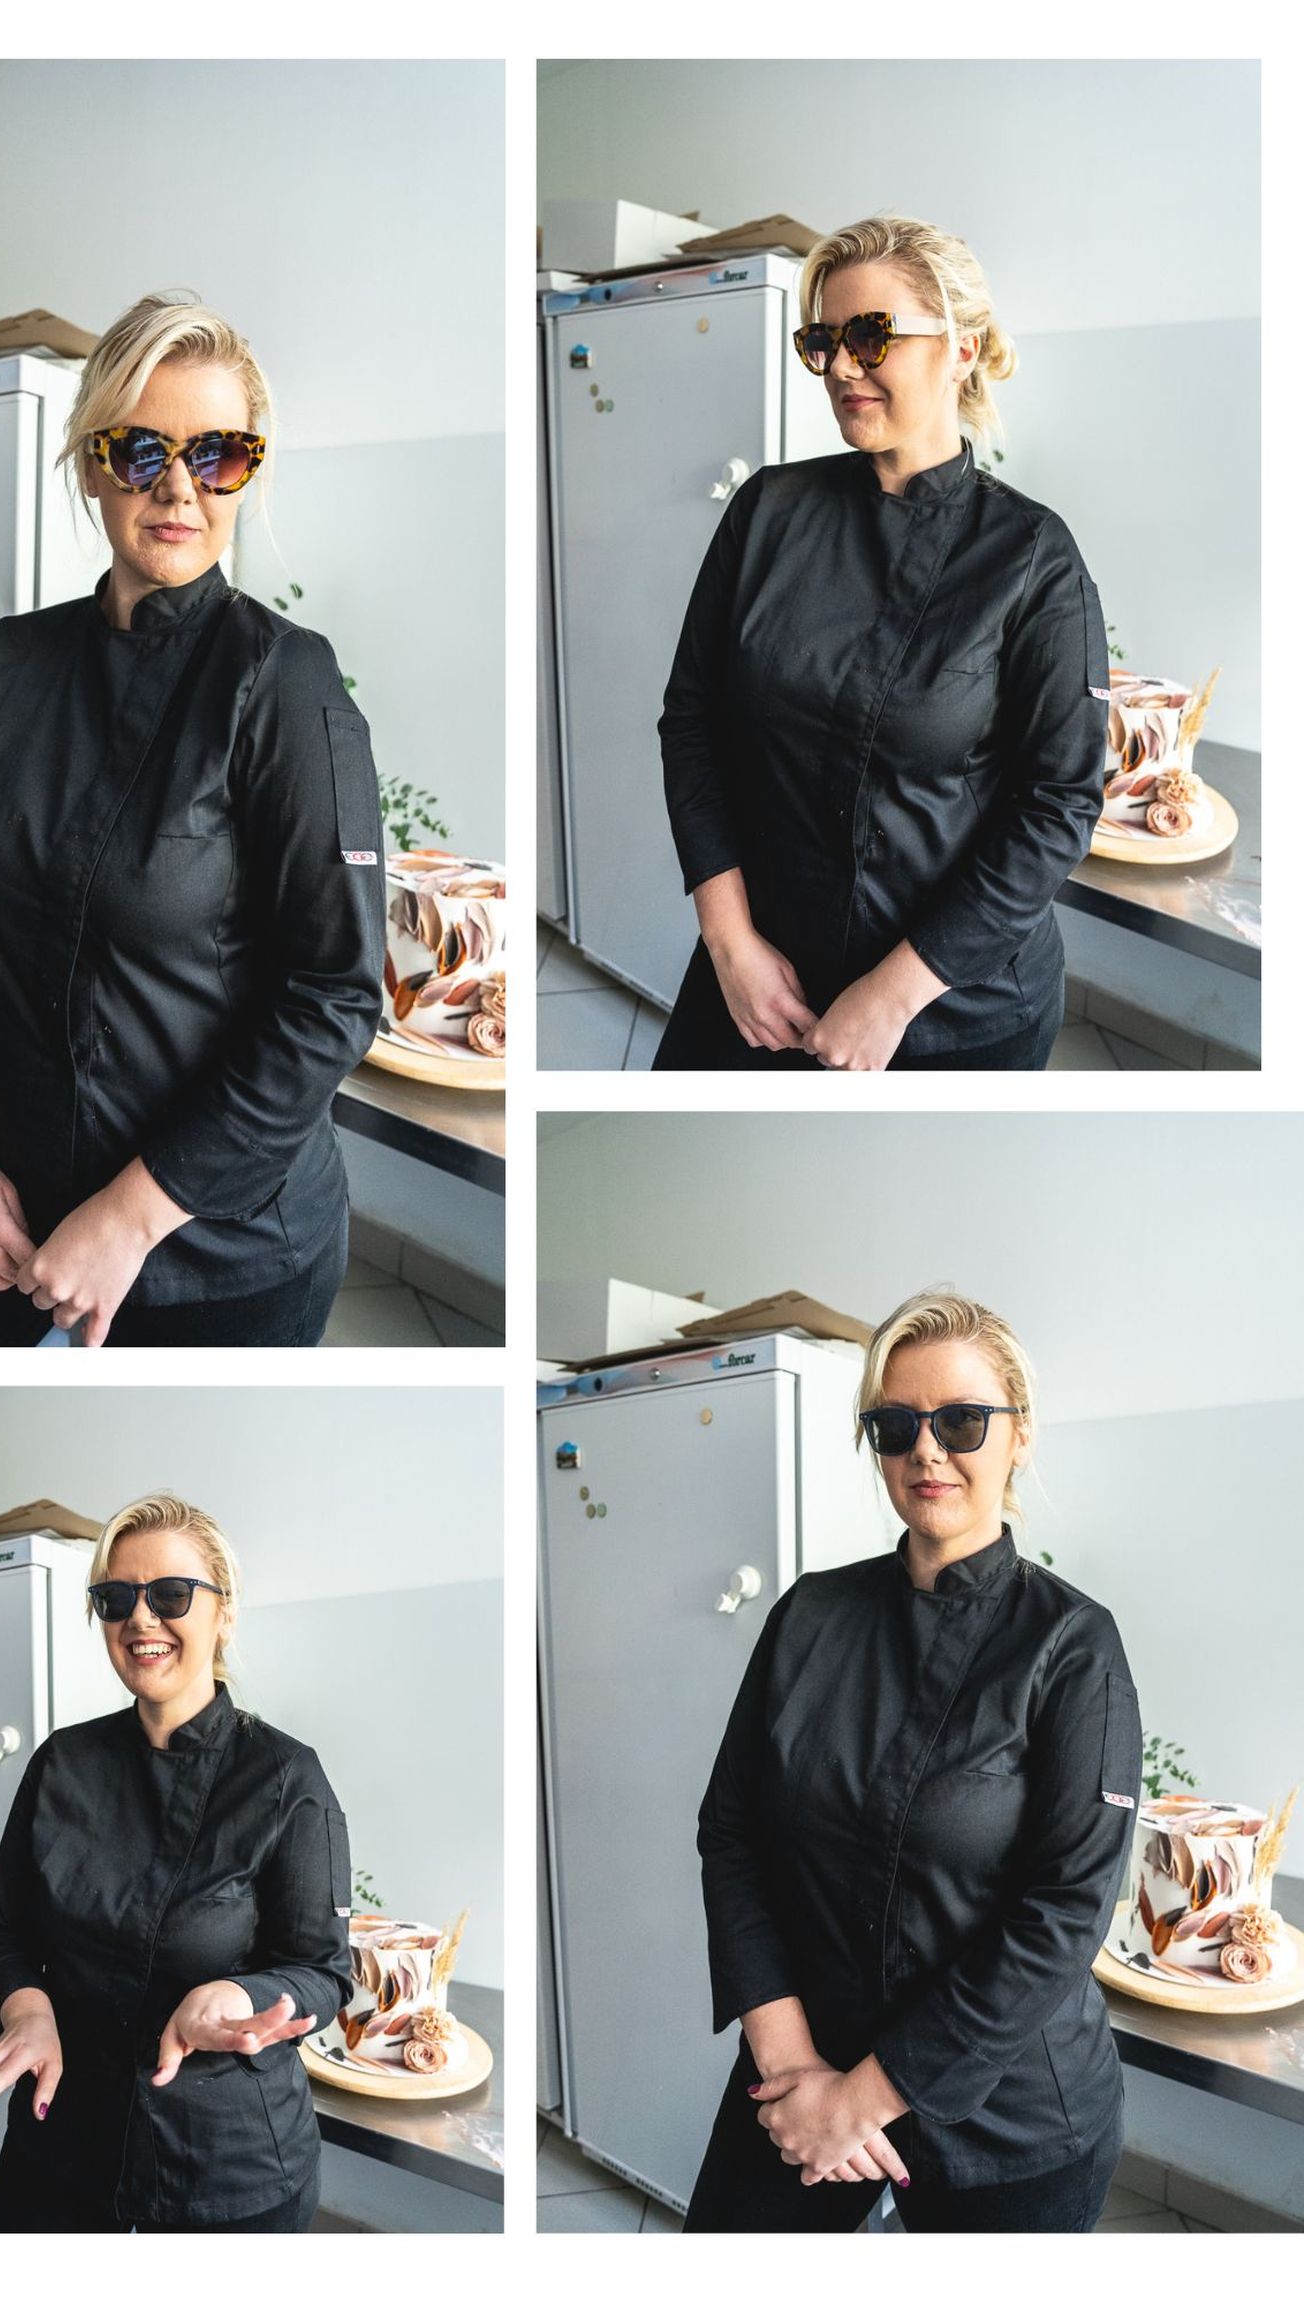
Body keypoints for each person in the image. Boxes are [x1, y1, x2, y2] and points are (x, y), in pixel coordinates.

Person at [0, 291, 384, 1345]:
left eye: (218, 455)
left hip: (210, 1231)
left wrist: (131, 1214)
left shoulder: (285, 685)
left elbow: (331, 993)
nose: (180, 488)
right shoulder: (6, 665)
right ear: (92, 463)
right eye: (141, 451)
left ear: (249, 470)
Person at [685, 1290, 1141, 2233]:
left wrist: (861, 2101)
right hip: (800, 2065)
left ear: (1019, 1435)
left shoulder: (1074, 1647)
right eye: (896, 1426)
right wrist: (792, 2062)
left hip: (1006, 2114)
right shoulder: (809, 1617)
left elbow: (1063, 1912)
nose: (926, 1450)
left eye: (961, 1420)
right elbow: (731, 1832)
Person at [654, 216, 1107, 1072]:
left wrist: (893, 994)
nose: (839, 367)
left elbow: (1058, 805)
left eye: (871, 335)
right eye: (823, 341)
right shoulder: (767, 513)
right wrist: (728, 941)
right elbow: (692, 722)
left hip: (950, 1006)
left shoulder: (1033, 558)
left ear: (962, 349)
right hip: (760, 977)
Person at [0, 1495, 352, 2233]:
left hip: (223, 2162)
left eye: (171, 1594)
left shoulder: (285, 1777)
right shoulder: (62, 1763)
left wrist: (239, 1993)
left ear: (224, 1612)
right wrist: (28, 2012)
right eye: (116, 1598)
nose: (141, 1618)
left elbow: (322, 1969)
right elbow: (3, 1929)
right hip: (62, 2138)